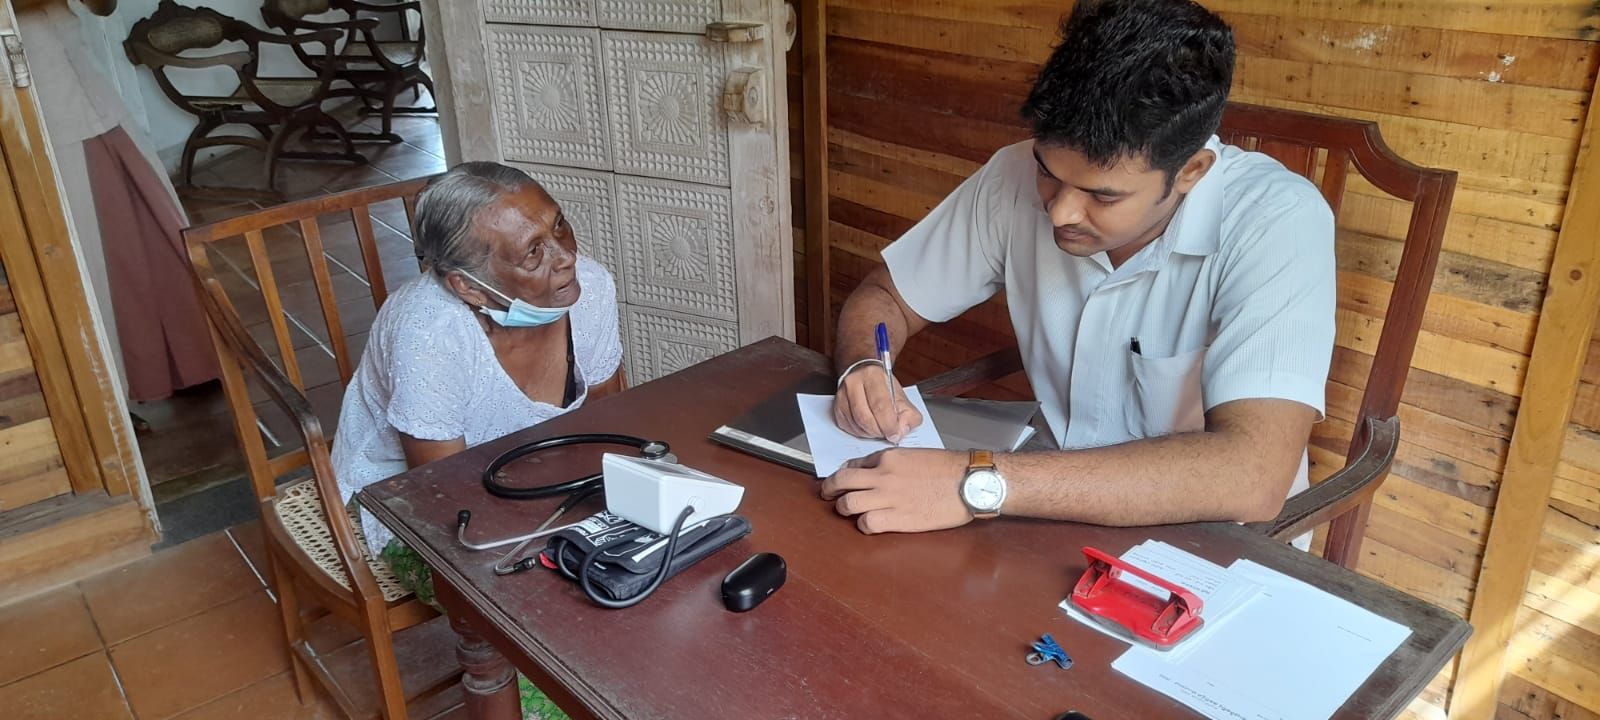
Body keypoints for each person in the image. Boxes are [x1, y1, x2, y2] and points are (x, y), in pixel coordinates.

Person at [825, 0, 1336, 544]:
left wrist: (973, 481)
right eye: (1049, 173)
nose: (1060, 211)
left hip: (1208, 543)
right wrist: (860, 367)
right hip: (1044, 501)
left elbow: (1251, 474)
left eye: (1102, 195)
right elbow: (885, 294)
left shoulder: (1276, 220)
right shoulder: (1013, 175)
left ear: (1190, 171)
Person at [331, 162, 622, 720]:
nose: (564, 257)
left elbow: (610, 421)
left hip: (541, 478)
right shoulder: (430, 332)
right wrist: (557, 548)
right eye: (532, 252)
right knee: (540, 645)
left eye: (559, 227)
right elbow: (441, 501)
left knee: (637, 579)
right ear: (466, 285)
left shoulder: (590, 289)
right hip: (407, 506)